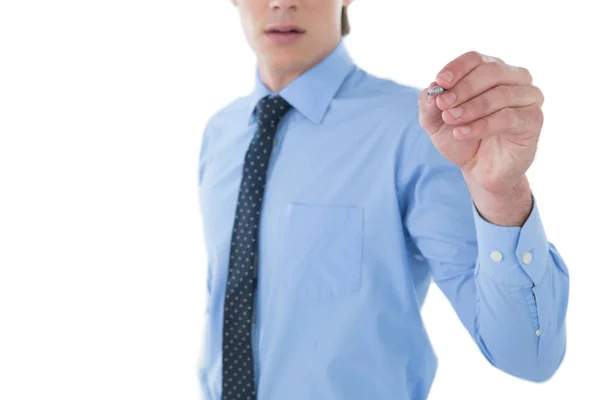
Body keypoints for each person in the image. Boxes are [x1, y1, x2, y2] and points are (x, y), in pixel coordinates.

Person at [196, 1, 570, 399]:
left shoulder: (419, 133)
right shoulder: (221, 133)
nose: (282, 2)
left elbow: (528, 356)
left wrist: (501, 194)